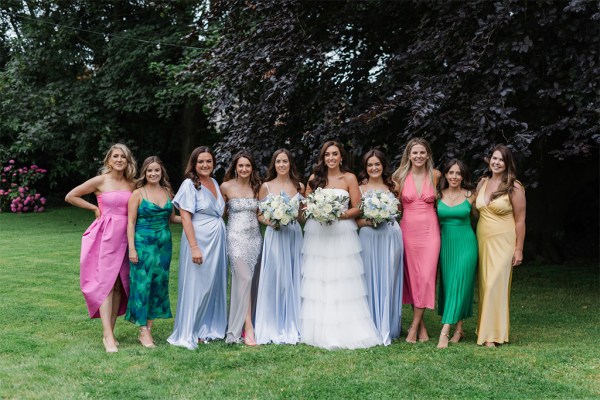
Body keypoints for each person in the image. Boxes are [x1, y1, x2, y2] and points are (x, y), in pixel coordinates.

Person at [300, 140, 380, 350]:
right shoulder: (314, 179)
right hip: (318, 234)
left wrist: (338, 214)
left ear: (341, 156)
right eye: (327, 155)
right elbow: (306, 207)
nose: (331, 158)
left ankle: (347, 328)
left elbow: (358, 208)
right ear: (323, 157)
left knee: (343, 277)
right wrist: (319, 212)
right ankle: (319, 328)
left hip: (342, 233)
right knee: (320, 278)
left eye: (335, 154)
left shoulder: (349, 178)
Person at [65, 143, 137, 353]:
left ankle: (111, 333)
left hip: (127, 236)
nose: (119, 160)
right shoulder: (100, 180)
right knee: (105, 283)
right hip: (106, 236)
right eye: (115, 156)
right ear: (108, 160)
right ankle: (107, 336)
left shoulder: (132, 184)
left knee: (118, 285)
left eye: (123, 157)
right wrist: (94, 207)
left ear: (128, 160)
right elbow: (71, 196)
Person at [167, 147, 228, 350]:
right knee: (197, 285)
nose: (205, 165)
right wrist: (194, 247)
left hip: (216, 240)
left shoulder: (215, 183)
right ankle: (188, 330)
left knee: (211, 283)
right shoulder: (189, 184)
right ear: (194, 163)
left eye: (209, 161)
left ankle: (205, 327)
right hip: (199, 239)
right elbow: (185, 217)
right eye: (201, 161)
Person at [126, 156, 181, 348]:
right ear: (144, 173)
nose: (153, 173)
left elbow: (172, 218)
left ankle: (148, 329)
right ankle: (142, 330)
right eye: (150, 170)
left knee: (158, 285)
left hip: (163, 247)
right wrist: (132, 248)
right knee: (142, 286)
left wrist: (194, 219)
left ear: (162, 172)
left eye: (157, 170)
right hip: (143, 246)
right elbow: (130, 222)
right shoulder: (138, 194)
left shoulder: (167, 192)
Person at [475, 144, 526, 347]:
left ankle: (493, 335)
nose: (496, 162)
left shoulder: (514, 186)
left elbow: (520, 220)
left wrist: (519, 248)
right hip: (483, 240)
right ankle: (485, 329)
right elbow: (475, 211)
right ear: (489, 160)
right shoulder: (483, 182)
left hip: (504, 241)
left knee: (495, 284)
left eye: (501, 160)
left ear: (507, 164)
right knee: (485, 284)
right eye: (494, 158)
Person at [392, 137, 441, 343]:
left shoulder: (436, 175)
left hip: (430, 231)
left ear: (428, 154)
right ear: (409, 155)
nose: (419, 156)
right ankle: (421, 327)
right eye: (415, 153)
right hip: (408, 231)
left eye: (422, 152)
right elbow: (396, 208)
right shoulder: (399, 177)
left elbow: (443, 202)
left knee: (427, 277)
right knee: (413, 278)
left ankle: (412, 328)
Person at [255, 149, 305, 344]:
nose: (282, 165)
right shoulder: (265, 186)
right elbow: (259, 214)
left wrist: (300, 214)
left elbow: (301, 216)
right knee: (276, 277)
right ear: (273, 165)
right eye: (278, 162)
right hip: (275, 235)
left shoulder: (299, 186)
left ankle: (293, 321)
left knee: (294, 275)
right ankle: (273, 322)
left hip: (293, 234)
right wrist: (273, 221)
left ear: (290, 163)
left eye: (285, 161)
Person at [356, 149, 403, 346]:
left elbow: (399, 212)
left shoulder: (394, 186)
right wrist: (370, 221)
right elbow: (356, 220)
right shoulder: (359, 189)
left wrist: (385, 215)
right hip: (368, 236)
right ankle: (371, 325)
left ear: (383, 166)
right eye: (370, 165)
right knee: (369, 278)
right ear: (365, 168)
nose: (374, 168)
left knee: (388, 278)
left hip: (390, 236)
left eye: (377, 164)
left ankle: (388, 324)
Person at [220, 151, 263, 346]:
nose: (244, 169)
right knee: (243, 279)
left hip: (254, 238)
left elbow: (262, 214)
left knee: (249, 281)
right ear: (235, 167)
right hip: (235, 238)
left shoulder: (258, 187)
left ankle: (246, 321)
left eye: (248, 166)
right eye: (241, 166)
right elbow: (219, 213)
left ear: (252, 168)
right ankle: (247, 328)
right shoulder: (226, 187)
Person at [435, 159, 478, 349]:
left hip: (466, 244)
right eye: (451, 173)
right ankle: (459, 329)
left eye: (458, 173)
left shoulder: (471, 196)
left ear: (463, 176)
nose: (454, 177)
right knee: (451, 285)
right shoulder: (438, 195)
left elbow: (482, 217)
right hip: (446, 245)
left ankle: (444, 331)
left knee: (460, 282)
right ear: (445, 175)